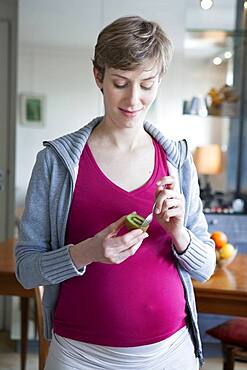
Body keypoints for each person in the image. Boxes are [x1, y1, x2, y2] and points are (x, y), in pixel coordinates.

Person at [15, 15, 216, 370]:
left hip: (171, 354)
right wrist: (86, 252)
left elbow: (206, 268)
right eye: (120, 83)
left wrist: (179, 234)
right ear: (98, 76)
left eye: (147, 84)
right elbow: (27, 271)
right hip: (79, 356)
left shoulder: (178, 161)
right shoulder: (55, 163)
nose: (134, 99)